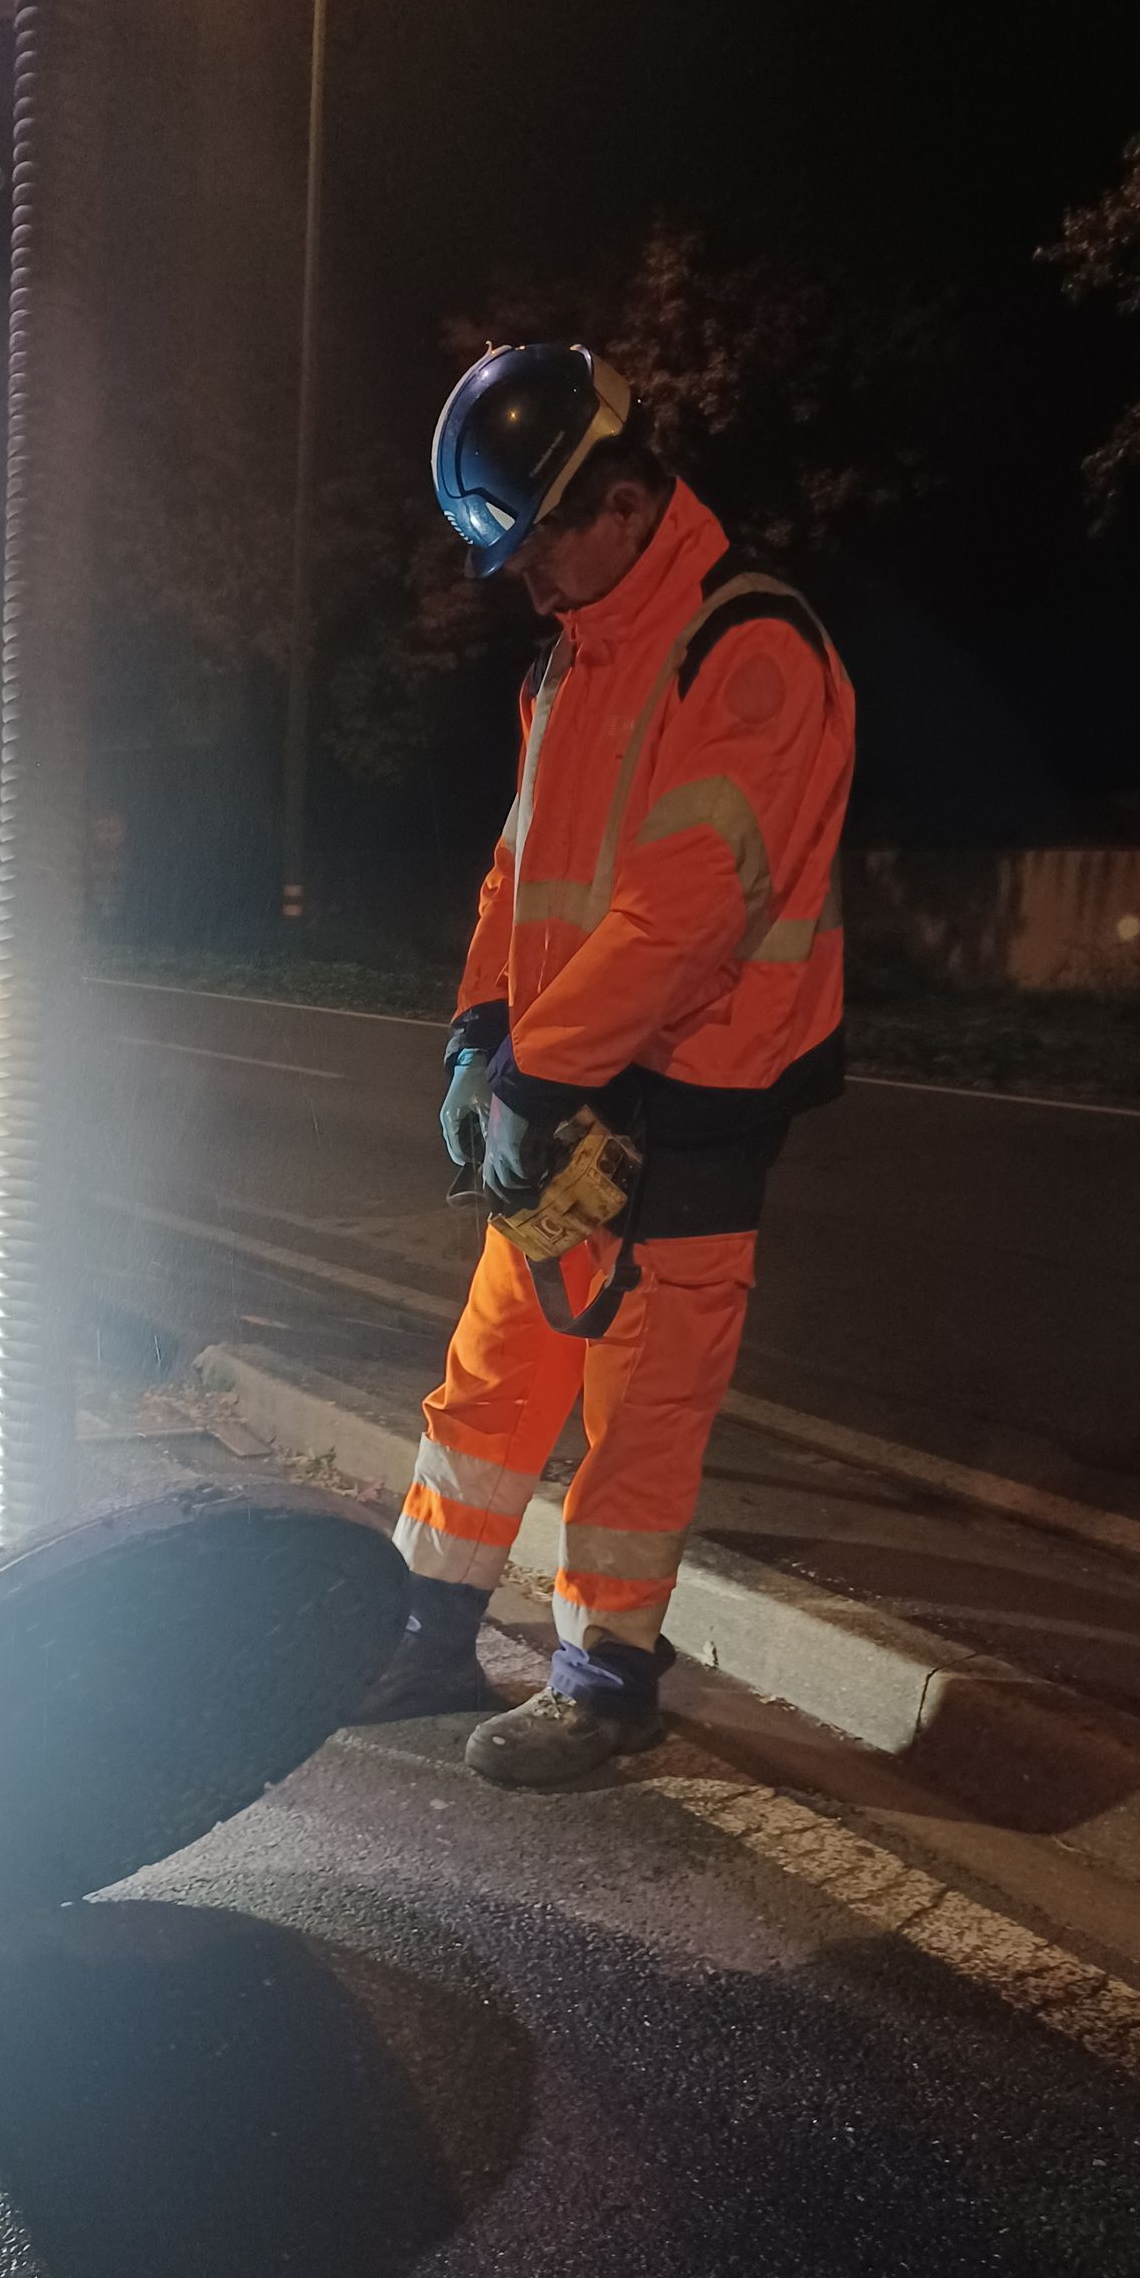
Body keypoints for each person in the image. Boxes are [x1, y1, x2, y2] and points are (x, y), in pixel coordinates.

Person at [363, 342, 855, 1788]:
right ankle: (427, 1627)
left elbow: (689, 907)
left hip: (695, 1096)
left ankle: (606, 1678)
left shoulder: (748, 651)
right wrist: (478, 1026)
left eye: (540, 548)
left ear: (626, 499)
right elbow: (523, 877)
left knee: (642, 1402)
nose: (527, 583)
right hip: (569, 1089)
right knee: (501, 1364)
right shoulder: (570, 665)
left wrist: (535, 1068)